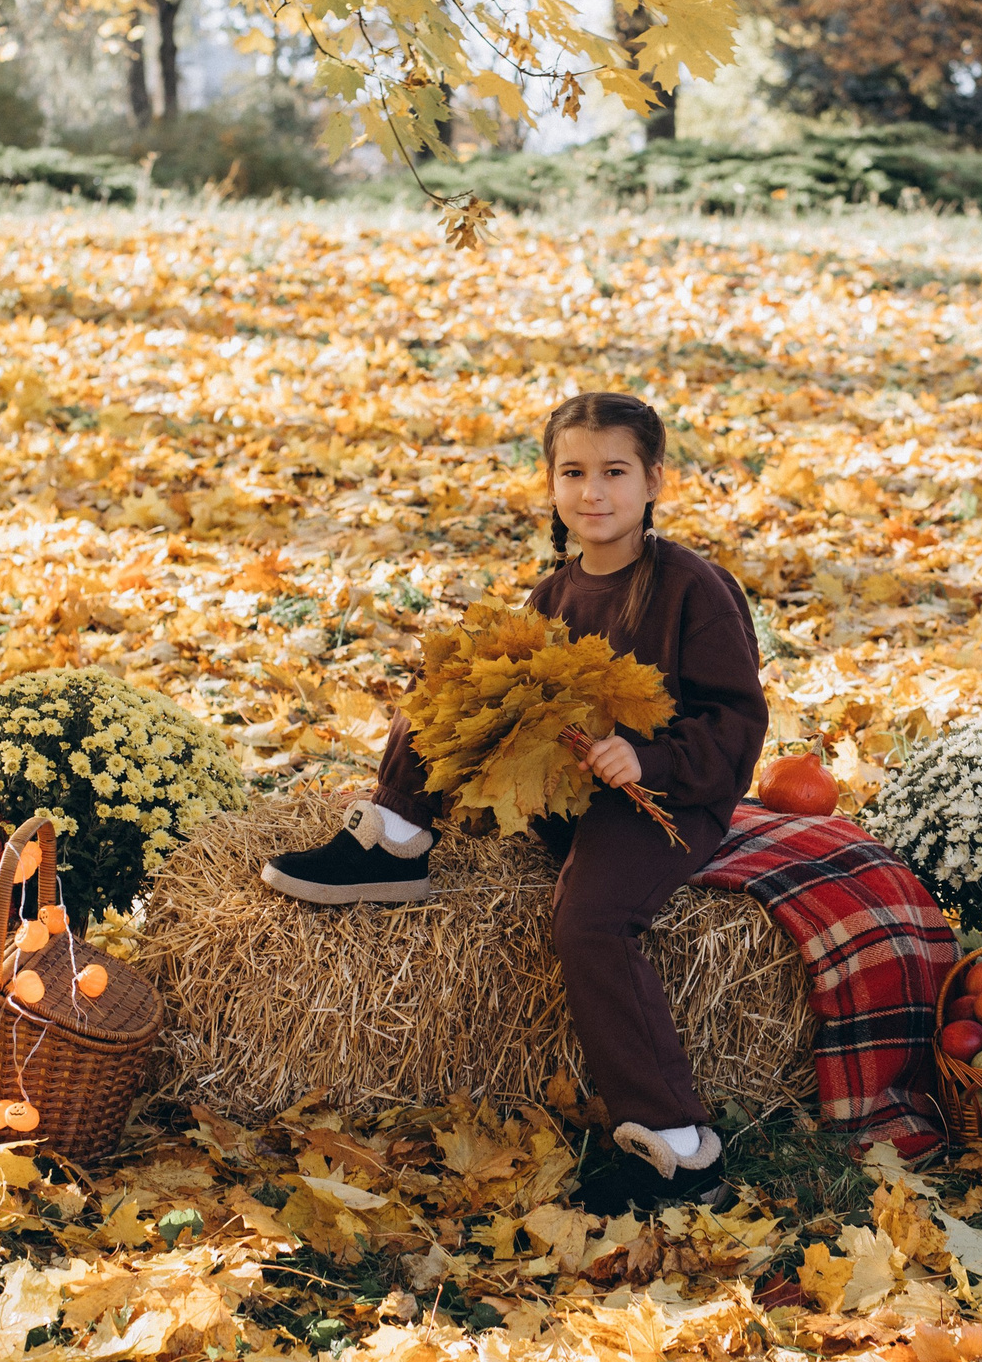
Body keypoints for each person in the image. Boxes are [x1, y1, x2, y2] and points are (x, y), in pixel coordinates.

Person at [261, 391, 768, 1211]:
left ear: (654, 481)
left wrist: (648, 759)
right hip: (565, 788)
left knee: (589, 920)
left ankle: (677, 1144)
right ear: (551, 482)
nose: (593, 492)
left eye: (615, 472)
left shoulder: (691, 590)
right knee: (463, 676)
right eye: (573, 472)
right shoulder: (554, 593)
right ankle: (394, 836)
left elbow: (738, 727)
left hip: (667, 802)